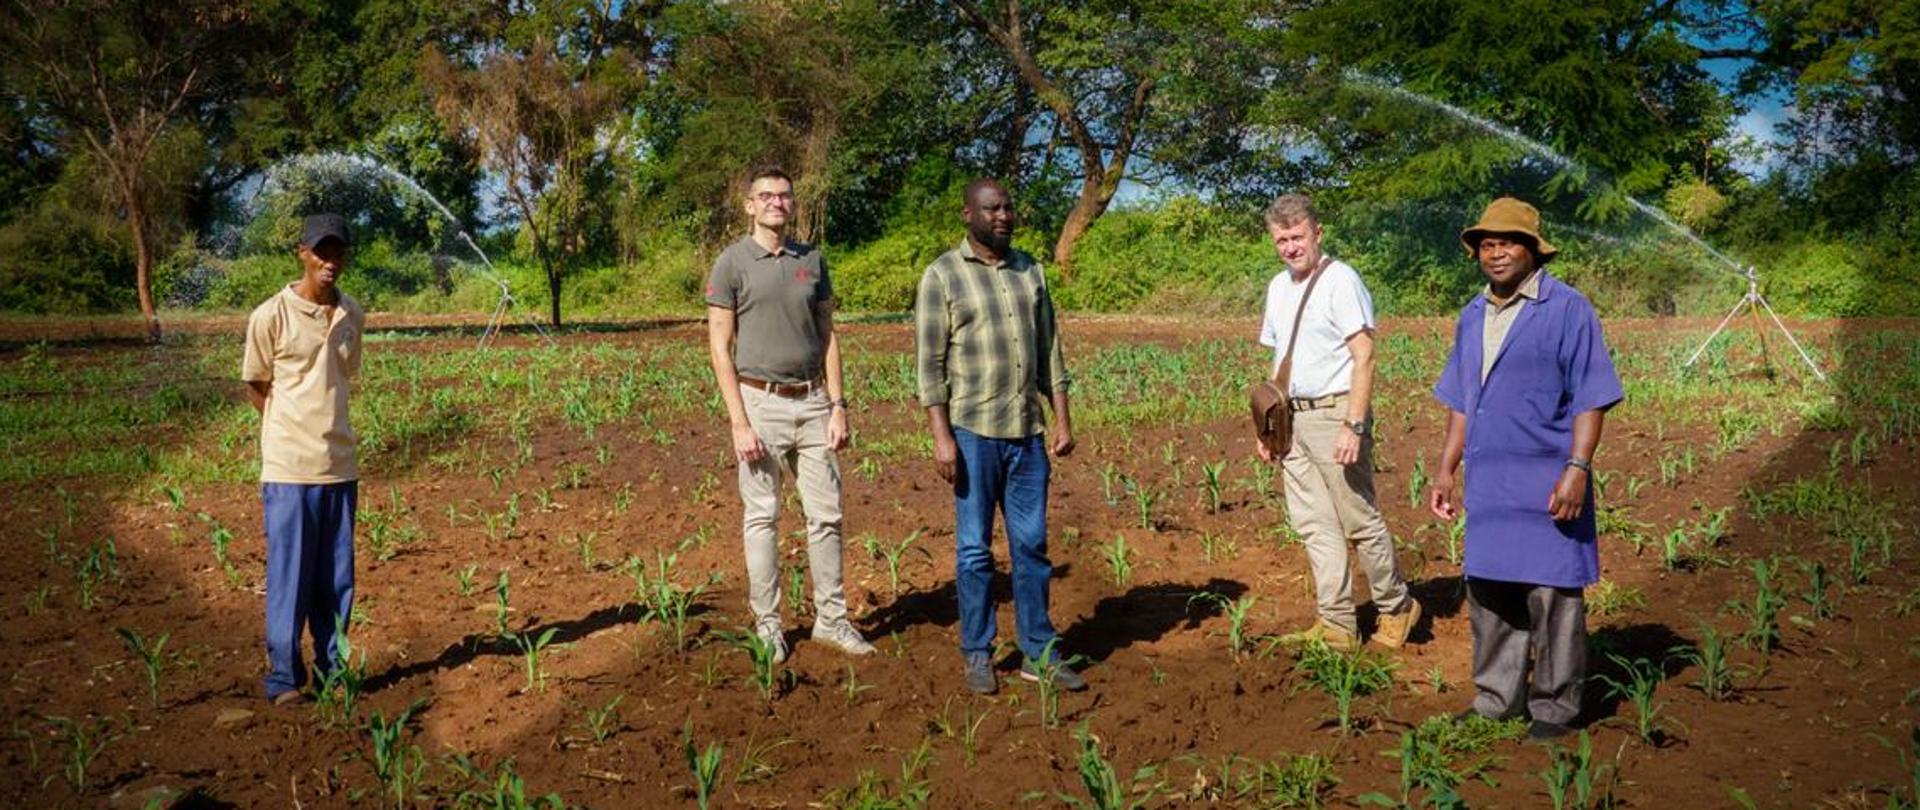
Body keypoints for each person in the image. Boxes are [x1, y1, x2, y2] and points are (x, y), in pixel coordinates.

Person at [1427, 197, 1624, 740]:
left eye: (1508, 242)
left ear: (1533, 250)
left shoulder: (1567, 309)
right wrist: (1446, 469)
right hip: (1490, 481)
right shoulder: (1472, 315)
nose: (1496, 253)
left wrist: (1578, 467)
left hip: (1547, 478)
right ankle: (1496, 698)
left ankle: (1556, 708)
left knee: (1553, 594)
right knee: (1490, 592)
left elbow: (1592, 395)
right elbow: (1461, 402)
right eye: (1487, 244)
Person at [914, 179, 1084, 696]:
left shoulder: (1029, 270)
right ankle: (978, 651)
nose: (1004, 216)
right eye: (993, 209)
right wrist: (941, 437)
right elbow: (929, 363)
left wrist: (1062, 419)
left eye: (1009, 207)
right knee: (974, 550)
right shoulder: (943, 275)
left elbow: (1049, 350)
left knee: (1032, 546)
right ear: (969, 214)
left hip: (1026, 435)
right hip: (972, 433)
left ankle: (1038, 650)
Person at [706, 166, 874, 665]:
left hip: (814, 402)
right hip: (760, 402)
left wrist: (838, 405)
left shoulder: (812, 261)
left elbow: (828, 336)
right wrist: (739, 421)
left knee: (827, 516)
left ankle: (831, 619)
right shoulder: (732, 263)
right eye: (766, 196)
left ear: (793, 204)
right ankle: (769, 626)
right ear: (749, 206)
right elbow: (720, 346)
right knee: (762, 516)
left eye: (784, 196)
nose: (777, 202)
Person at [1255, 193, 1422, 652]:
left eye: (1297, 237)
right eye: (1281, 240)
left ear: (1317, 233)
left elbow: (1364, 355)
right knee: (1314, 525)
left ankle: (1396, 607)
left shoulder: (1341, 280)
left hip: (1335, 414)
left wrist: (1354, 424)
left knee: (1358, 518)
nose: (1290, 247)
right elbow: (1280, 360)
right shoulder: (1277, 287)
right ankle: (1336, 624)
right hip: (1293, 419)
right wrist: (1269, 426)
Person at [242, 213, 365, 704]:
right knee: (290, 577)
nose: (329, 262)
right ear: (303, 253)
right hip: (290, 469)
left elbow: (343, 377)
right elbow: (258, 386)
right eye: (321, 252)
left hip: (340, 465)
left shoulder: (352, 313)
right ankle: (285, 679)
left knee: (336, 582)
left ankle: (334, 673)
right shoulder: (269, 315)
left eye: (337, 252)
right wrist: (288, 433)